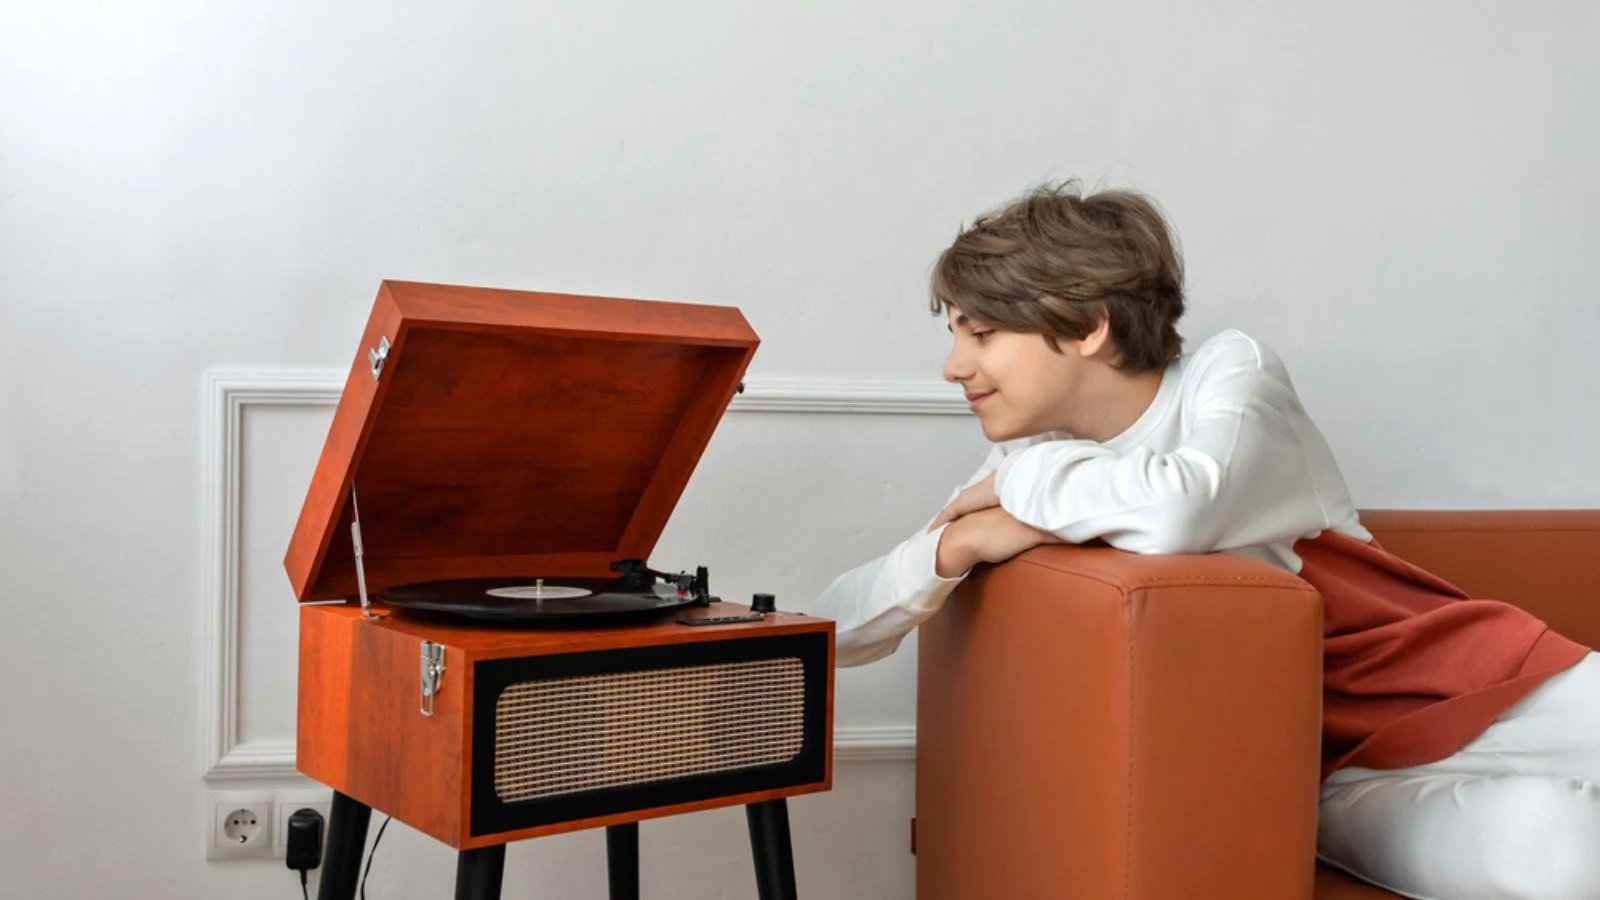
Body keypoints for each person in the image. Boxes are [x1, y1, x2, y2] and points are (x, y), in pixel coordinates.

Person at [813, 182, 1600, 900]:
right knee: (1552, 853)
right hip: (1334, 780)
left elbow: (1184, 511)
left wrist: (1019, 497)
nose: (955, 367)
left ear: (1089, 326)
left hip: (1498, 694)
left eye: (981, 334)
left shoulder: (1229, 374)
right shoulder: (1028, 462)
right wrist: (949, 552)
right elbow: (838, 626)